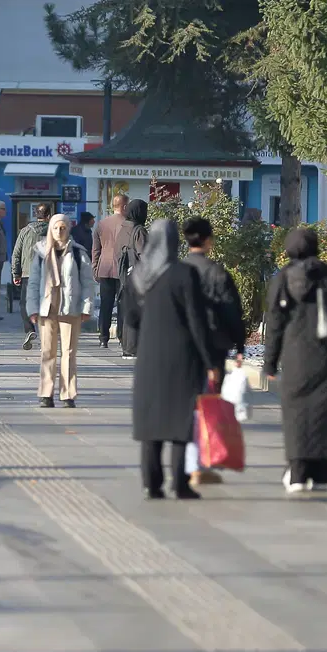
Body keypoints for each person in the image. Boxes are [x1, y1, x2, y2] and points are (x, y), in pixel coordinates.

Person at [263, 227, 327, 494]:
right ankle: (321, 474)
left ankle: (297, 473)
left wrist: (270, 362)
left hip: (295, 359)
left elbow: (274, 323)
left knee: (296, 415)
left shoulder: (282, 280)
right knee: (324, 413)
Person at [127, 219, 219, 501]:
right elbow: (196, 320)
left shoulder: (138, 276)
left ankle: (151, 484)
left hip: (149, 356)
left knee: (151, 423)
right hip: (181, 356)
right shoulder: (184, 274)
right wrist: (210, 360)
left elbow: (130, 318)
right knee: (179, 421)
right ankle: (179, 483)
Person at [182, 216, 248, 486]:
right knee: (208, 402)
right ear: (208, 240)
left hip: (184, 346)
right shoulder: (217, 272)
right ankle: (201, 460)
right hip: (214, 345)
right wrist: (240, 343)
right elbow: (232, 310)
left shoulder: (177, 270)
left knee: (188, 404)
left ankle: (188, 461)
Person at [26, 214, 95, 409]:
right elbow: (32, 284)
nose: (59, 232)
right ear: (50, 229)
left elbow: (88, 283)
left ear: (68, 229)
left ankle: (67, 394)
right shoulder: (40, 253)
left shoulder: (79, 253)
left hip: (70, 309)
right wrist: (32, 309)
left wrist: (86, 307)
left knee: (69, 352)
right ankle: (46, 394)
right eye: (56, 228)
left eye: (63, 228)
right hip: (46, 309)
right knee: (47, 351)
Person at [12, 203, 52, 351]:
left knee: (25, 303)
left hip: (29, 273)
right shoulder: (55, 231)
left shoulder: (25, 231)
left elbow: (16, 253)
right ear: (49, 216)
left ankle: (30, 330)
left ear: (36, 215)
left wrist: (16, 273)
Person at [92, 194, 129, 350]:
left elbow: (95, 249)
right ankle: (121, 336)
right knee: (123, 305)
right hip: (122, 269)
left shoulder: (101, 224)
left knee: (106, 305)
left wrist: (95, 268)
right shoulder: (128, 225)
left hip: (105, 268)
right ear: (125, 206)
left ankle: (103, 338)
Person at [115, 199, 150, 359]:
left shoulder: (122, 230)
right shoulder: (139, 230)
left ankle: (126, 346)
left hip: (124, 277)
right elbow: (145, 255)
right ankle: (133, 348)